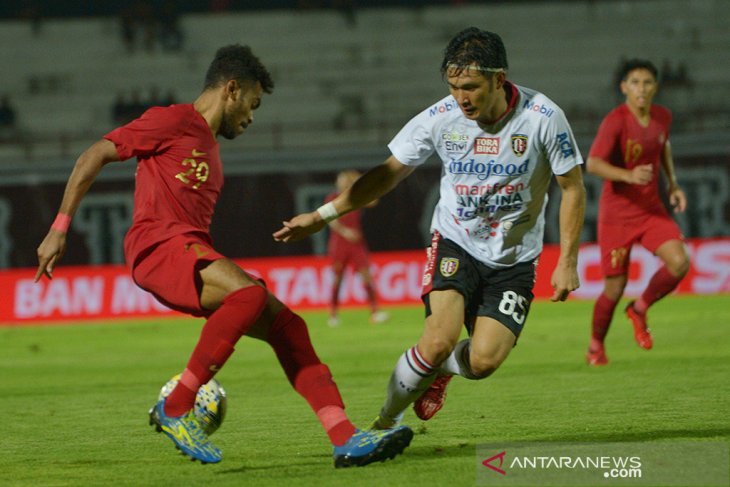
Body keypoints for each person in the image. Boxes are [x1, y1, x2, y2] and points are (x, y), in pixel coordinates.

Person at [35, 44, 412, 467]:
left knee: (290, 327)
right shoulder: (173, 120)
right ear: (231, 89)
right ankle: (176, 406)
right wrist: (58, 228)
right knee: (248, 296)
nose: (251, 118)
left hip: (188, 250)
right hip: (157, 246)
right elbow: (94, 154)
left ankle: (345, 439)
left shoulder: (208, 146)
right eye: (251, 105)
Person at [274, 28, 585, 433]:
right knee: (438, 339)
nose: (461, 98)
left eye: (471, 87)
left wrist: (568, 260)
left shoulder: (543, 117)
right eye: (454, 87)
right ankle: (384, 424)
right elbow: (385, 176)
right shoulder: (441, 118)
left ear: (499, 79)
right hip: (456, 240)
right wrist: (322, 215)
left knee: (485, 360)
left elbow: (572, 186)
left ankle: (443, 372)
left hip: (514, 258)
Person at [585, 59, 689, 366]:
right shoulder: (615, 121)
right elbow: (593, 163)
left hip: (650, 210)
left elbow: (663, 146)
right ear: (624, 88)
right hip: (617, 215)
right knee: (614, 288)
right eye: (635, 83)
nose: (641, 89)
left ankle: (640, 309)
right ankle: (595, 346)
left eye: (647, 83)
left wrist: (673, 184)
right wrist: (628, 175)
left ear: (655, 87)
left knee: (680, 261)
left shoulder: (662, 117)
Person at [325, 169, 389, 327]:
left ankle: (375, 312)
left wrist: (363, 184)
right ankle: (333, 314)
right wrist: (345, 232)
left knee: (367, 276)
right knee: (338, 278)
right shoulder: (332, 198)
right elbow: (330, 219)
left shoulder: (355, 197)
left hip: (357, 244)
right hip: (339, 243)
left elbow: (374, 201)